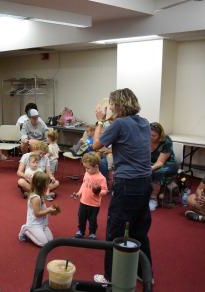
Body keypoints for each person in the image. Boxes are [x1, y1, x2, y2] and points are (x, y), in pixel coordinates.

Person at [92, 88, 153, 284]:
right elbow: (125, 138)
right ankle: (146, 275)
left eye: (111, 104)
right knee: (139, 230)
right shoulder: (143, 122)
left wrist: (100, 120)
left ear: (118, 105)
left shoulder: (119, 123)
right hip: (145, 182)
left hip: (127, 184)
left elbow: (95, 145)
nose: (109, 107)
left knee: (115, 230)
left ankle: (110, 277)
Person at [71, 152, 107, 240]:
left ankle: (92, 233)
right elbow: (84, 184)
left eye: (88, 168)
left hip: (94, 205)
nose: (86, 170)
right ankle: (80, 231)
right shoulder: (87, 174)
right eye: (85, 168)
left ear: (96, 166)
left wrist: (98, 192)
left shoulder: (101, 178)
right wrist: (79, 193)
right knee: (81, 218)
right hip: (83, 201)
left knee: (92, 220)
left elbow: (105, 190)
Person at [18, 171, 59, 247]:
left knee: (50, 241)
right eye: (47, 183)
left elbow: (43, 208)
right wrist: (49, 210)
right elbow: (37, 214)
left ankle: (36, 231)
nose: (48, 185)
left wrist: (51, 210)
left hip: (42, 224)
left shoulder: (41, 194)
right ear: (41, 185)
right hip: (34, 224)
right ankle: (26, 229)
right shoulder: (35, 198)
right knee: (44, 244)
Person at [149, 122, 178, 211]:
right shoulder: (144, 138)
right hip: (152, 163)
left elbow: (160, 162)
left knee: (157, 172)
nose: (150, 137)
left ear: (160, 135)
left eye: (154, 136)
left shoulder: (166, 141)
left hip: (168, 164)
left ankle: (153, 199)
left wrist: (149, 169)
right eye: (149, 134)